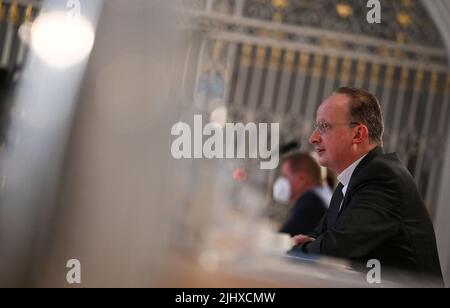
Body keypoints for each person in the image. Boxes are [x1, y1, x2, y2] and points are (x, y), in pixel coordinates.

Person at [290, 87, 443, 283]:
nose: (313, 137)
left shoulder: (383, 178)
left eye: (324, 126)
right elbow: (319, 238)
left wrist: (293, 248)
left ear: (358, 134)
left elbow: (336, 248)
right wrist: (311, 245)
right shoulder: (350, 183)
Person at [274, 153, 331, 237]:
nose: (282, 181)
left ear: (302, 178)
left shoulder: (311, 201)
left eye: (285, 176)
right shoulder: (324, 194)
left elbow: (282, 239)